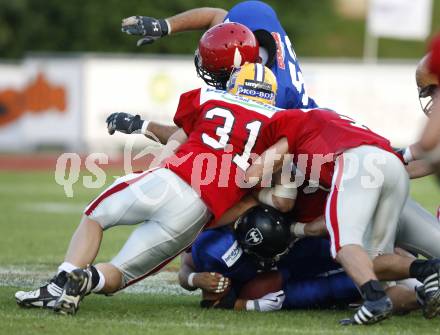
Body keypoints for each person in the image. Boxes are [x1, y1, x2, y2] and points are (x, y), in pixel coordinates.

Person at [14, 63, 291, 315]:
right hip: (196, 212)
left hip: (167, 180)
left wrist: (155, 161)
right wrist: (206, 222)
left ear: (235, 84)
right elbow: (252, 200)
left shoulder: (209, 96)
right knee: (121, 274)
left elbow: (177, 138)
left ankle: (62, 280)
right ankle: (88, 280)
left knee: (96, 217)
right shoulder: (279, 124)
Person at [244, 106, 440, 324]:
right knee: (369, 263)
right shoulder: (330, 123)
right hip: (390, 168)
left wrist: (258, 195)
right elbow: (413, 161)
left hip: (355, 167)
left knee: (344, 247)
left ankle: (375, 301)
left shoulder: (294, 124)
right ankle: (427, 275)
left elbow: (254, 178)